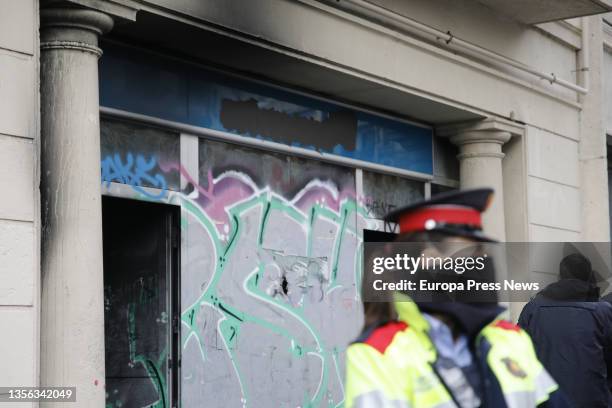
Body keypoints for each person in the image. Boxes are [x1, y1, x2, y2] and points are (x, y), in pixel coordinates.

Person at [345, 188, 568, 408]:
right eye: (472, 253)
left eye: (483, 252)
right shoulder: (378, 354)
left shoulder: (511, 339)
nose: (482, 262)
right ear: (426, 259)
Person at [518, 253, 612, 408]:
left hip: (547, 400)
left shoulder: (533, 309)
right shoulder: (603, 312)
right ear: (589, 277)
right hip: (593, 400)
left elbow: (518, 355)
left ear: (559, 276)